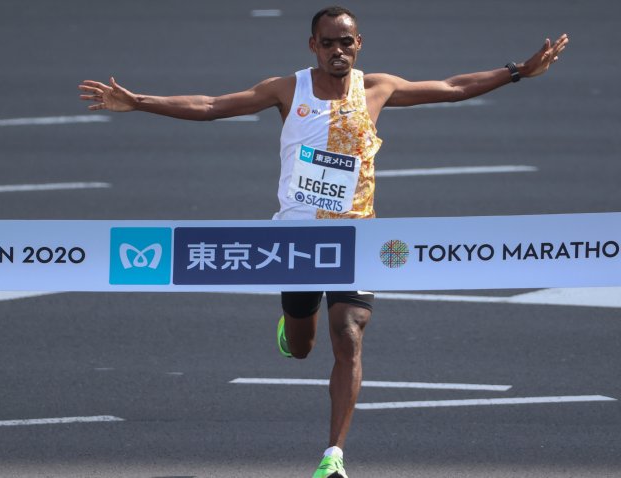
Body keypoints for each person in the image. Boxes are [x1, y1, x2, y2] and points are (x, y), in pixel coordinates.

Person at [79, 6, 568, 477]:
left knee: (349, 333)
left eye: (346, 41)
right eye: (328, 42)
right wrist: (138, 101)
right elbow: (211, 106)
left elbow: (452, 87)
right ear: (313, 46)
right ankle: (290, 327)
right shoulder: (287, 90)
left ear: (359, 45)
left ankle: (333, 454)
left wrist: (518, 71)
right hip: (296, 239)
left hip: (357, 236)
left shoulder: (377, 88)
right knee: (301, 345)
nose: (338, 50)